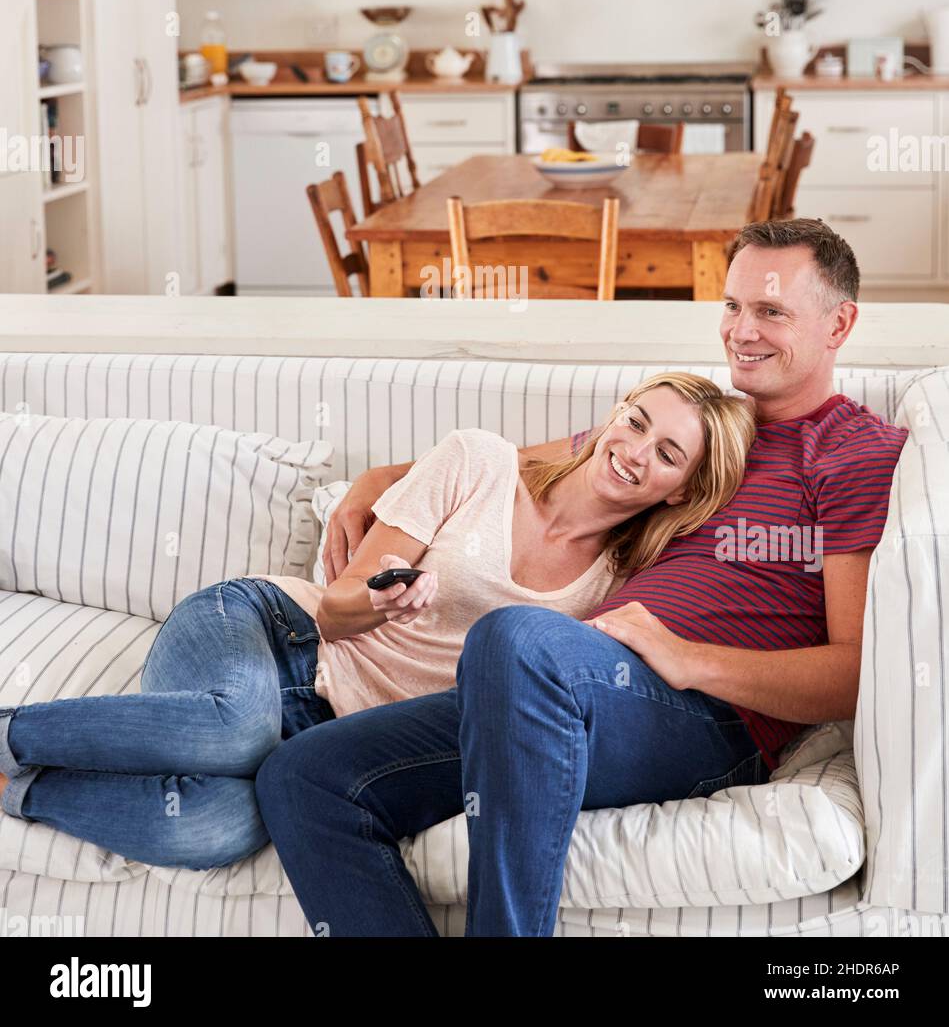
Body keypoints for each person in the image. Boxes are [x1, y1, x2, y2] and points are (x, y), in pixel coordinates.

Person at [255, 217, 909, 937]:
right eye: (731, 306)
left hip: (697, 718)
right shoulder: (693, 428)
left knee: (515, 635)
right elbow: (527, 465)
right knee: (303, 777)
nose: (741, 331)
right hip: (555, 689)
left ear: (838, 324)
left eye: (771, 311)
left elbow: (852, 676)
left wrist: (689, 661)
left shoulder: (850, 454)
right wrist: (376, 481)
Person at [0, 373, 752, 870]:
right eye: (635, 421)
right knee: (236, 729)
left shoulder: (615, 588)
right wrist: (381, 599)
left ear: (679, 492)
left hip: (328, 735)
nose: (633, 451)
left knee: (216, 826)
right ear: (612, 415)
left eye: (665, 453)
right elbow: (334, 605)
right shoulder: (478, 462)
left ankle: (13, 788)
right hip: (271, 634)